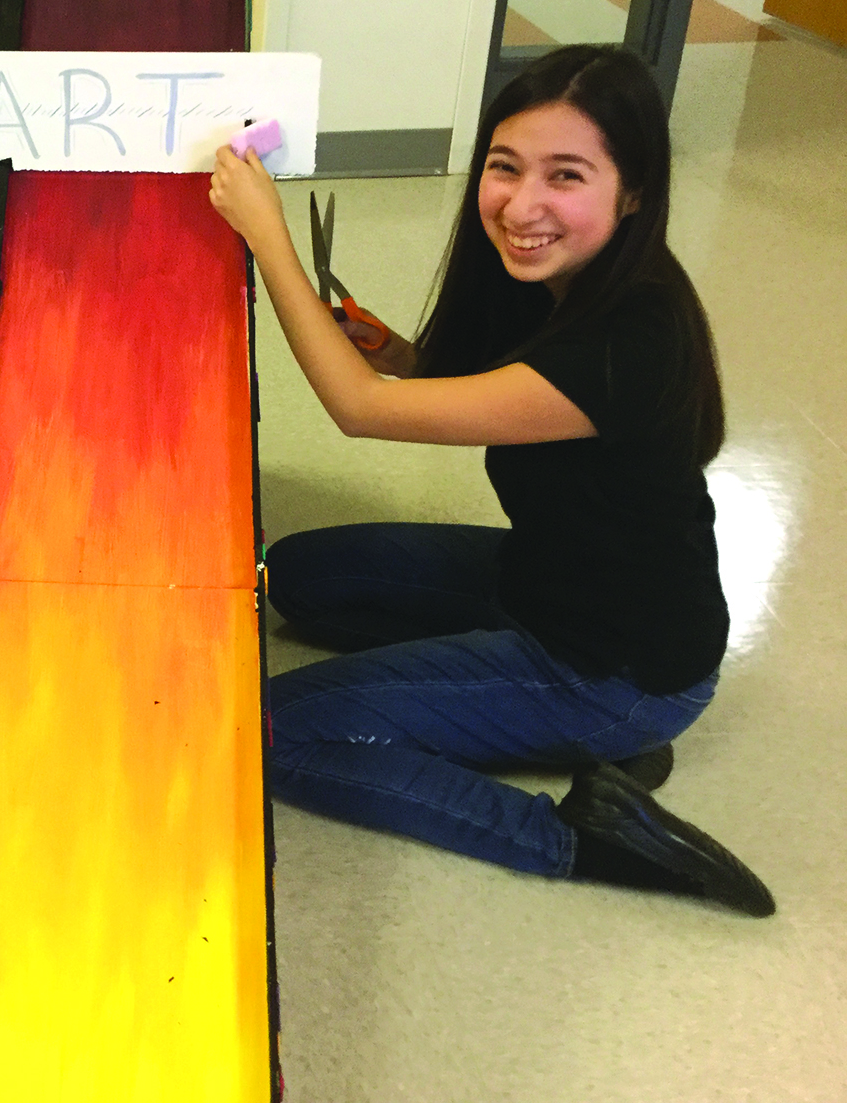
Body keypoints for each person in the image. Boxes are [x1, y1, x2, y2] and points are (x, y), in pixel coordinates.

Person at [208, 44, 773, 916]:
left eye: (567, 176)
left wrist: (266, 236)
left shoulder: (628, 341)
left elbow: (361, 412)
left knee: (273, 728)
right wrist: (392, 348)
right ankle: (530, 719)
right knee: (303, 576)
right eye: (505, 167)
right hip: (549, 581)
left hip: (614, 670)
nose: (523, 204)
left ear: (633, 193)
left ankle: (580, 832)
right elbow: (483, 383)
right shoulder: (560, 280)